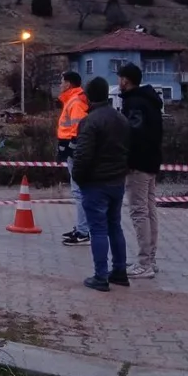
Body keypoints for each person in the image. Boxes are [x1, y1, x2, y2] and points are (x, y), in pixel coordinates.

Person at [71, 77, 130, 292]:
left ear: (89, 96)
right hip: (117, 181)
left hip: (96, 183)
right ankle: (120, 271)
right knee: (115, 225)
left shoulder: (90, 122)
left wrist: (79, 177)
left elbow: (83, 155)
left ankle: (101, 276)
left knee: (98, 229)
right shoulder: (121, 119)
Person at [117, 63, 163, 279]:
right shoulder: (151, 101)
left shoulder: (134, 103)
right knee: (149, 209)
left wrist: (127, 159)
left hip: (138, 164)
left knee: (139, 211)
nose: (118, 82)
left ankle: (144, 262)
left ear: (126, 80)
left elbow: (133, 135)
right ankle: (150, 259)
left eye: (120, 78)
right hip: (152, 161)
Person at [57, 71, 90, 246]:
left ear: (68, 84)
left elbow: (78, 129)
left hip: (75, 153)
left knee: (79, 192)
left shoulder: (75, 101)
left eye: (62, 81)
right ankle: (82, 228)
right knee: (79, 191)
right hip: (72, 150)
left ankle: (83, 231)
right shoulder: (72, 100)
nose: (60, 85)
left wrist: (69, 148)